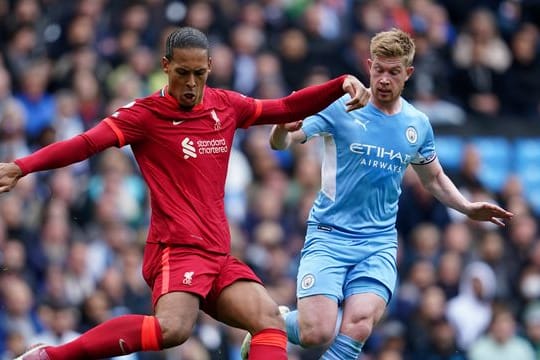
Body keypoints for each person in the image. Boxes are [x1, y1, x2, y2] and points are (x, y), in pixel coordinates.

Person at [1, 26, 370, 360]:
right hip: (174, 249)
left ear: (210, 66)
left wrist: (339, 84)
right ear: (166, 66)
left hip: (217, 251)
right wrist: (22, 167)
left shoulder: (225, 105)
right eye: (182, 73)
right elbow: (85, 144)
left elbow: (286, 108)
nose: (191, 84)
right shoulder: (144, 115)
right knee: (173, 329)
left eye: (199, 73)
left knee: (269, 319)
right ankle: (50, 357)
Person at [241, 27, 514, 360]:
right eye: (378, 70)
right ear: (368, 65)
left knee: (358, 326)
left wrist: (467, 208)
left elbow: (433, 178)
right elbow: (281, 143)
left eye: (393, 72)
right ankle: (277, 323)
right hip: (329, 235)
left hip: (378, 243)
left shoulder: (417, 124)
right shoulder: (340, 105)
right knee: (317, 332)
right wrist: (282, 129)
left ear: (408, 73)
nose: (384, 79)